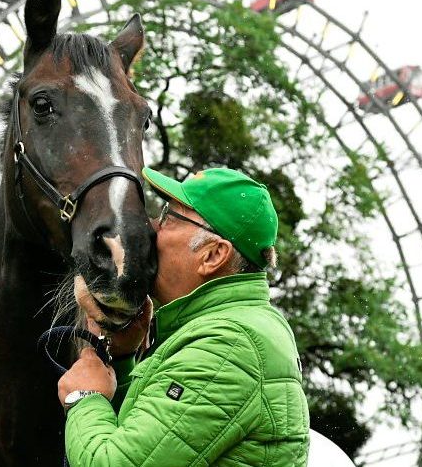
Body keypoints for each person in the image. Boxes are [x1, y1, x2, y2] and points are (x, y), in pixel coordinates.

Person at [58, 167, 310, 467]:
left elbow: (115, 463)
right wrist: (124, 360)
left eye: (170, 217)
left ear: (213, 255)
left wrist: (84, 397)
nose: (153, 226)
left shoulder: (228, 348)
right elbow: (156, 442)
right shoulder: (240, 328)